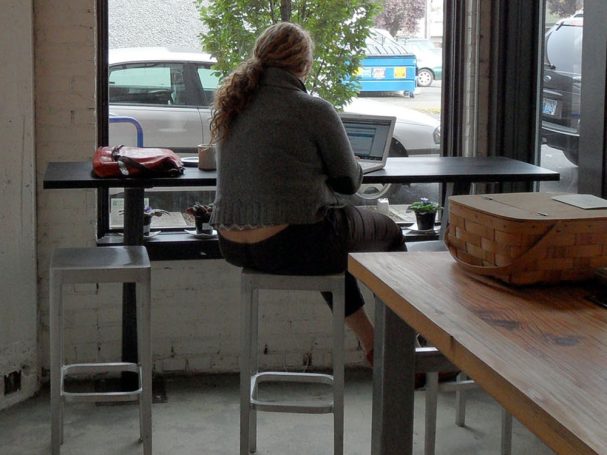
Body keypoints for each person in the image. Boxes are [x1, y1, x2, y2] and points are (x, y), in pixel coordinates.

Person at [209, 22, 405, 364]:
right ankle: (407, 352)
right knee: (386, 231)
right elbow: (349, 183)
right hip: (291, 245)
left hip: (232, 245)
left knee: (326, 244)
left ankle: (375, 344)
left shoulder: (232, 107)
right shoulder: (312, 109)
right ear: (305, 65)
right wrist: (352, 164)